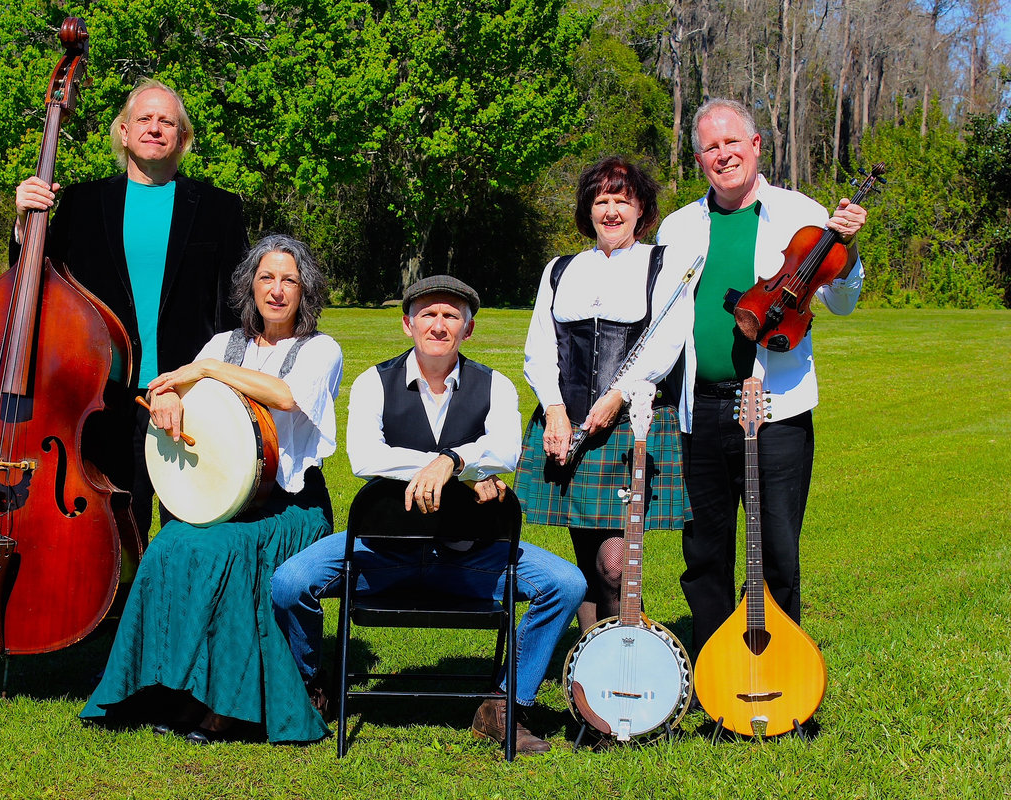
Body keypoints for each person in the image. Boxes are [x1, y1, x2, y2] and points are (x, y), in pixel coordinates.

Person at [271, 275, 586, 755]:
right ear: (407, 323)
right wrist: (456, 467)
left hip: (470, 557)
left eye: (451, 316)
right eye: (428, 314)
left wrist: (452, 461)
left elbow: (503, 451)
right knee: (290, 583)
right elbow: (364, 457)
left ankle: (502, 703)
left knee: (566, 583)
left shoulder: (495, 385)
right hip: (380, 553)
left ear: (469, 329)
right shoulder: (373, 381)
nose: (439, 325)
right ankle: (312, 684)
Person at [78, 235, 343, 745]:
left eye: (290, 280)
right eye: (267, 277)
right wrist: (167, 398)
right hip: (225, 503)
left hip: (289, 506)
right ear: (250, 286)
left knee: (228, 553)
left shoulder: (319, 349)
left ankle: (228, 707)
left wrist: (205, 371)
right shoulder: (224, 343)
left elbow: (286, 398)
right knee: (168, 547)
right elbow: (167, 385)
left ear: (305, 291)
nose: (277, 289)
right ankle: (161, 688)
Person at [655, 98, 866, 661]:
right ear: (699, 158)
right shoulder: (679, 225)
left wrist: (847, 250)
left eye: (732, 142)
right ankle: (711, 672)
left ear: (755, 146)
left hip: (777, 409)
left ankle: (780, 667)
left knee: (777, 549)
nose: (722, 155)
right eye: (709, 147)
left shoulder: (802, 213)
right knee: (704, 550)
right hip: (698, 410)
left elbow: (843, 302)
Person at [11, 78, 249, 541]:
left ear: (183, 138)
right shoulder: (81, 203)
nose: (155, 128)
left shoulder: (220, 210)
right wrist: (25, 224)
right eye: (144, 118)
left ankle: (184, 615)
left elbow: (236, 310)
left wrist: (212, 383)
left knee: (194, 531)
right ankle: (119, 616)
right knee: (116, 533)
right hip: (102, 398)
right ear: (123, 132)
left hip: (191, 395)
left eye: (168, 122)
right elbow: (34, 287)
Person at [517, 156, 698, 635]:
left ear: (642, 210)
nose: (612, 210)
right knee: (584, 564)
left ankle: (622, 657)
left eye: (623, 200)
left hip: (630, 422)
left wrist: (618, 395)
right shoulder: (560, 270)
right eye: (602, 201)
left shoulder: (664, 263)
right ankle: (587, 667)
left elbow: (667, 342)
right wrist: (555, 409)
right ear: (587, 210)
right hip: (566, 423)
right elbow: (540, 347)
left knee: (615, 565)